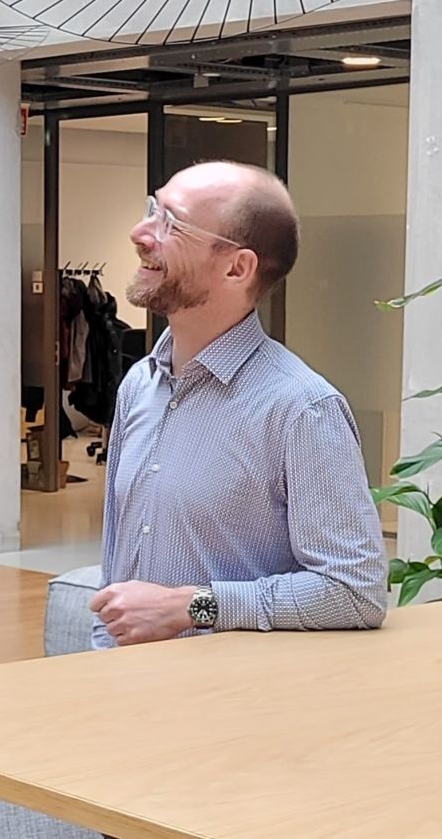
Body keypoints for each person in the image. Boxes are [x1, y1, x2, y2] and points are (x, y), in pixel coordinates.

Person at [89, 161, 387, 649]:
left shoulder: (301, 409)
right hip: (125, 681)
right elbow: (115, 569)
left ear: (236, 267)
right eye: (151, 210)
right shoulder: (139, 384)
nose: (140, 233)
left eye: (171, 222)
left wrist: (192, 606)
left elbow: (355, 593)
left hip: (231, 691)